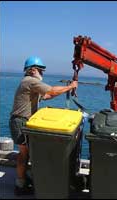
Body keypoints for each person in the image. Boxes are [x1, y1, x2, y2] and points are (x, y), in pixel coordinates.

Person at [9, 56, 78, 195]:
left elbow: (46, 96)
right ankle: (20, 184)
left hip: (23, 121)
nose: (42, 73)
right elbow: (51, 90)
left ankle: (27, 178)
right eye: (41, 70)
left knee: (28, 153)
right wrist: (70, 87)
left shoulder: (29, 83)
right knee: (23, 154)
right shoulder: (30, 81)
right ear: (33, 70)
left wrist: (65, 89)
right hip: (20, 121)